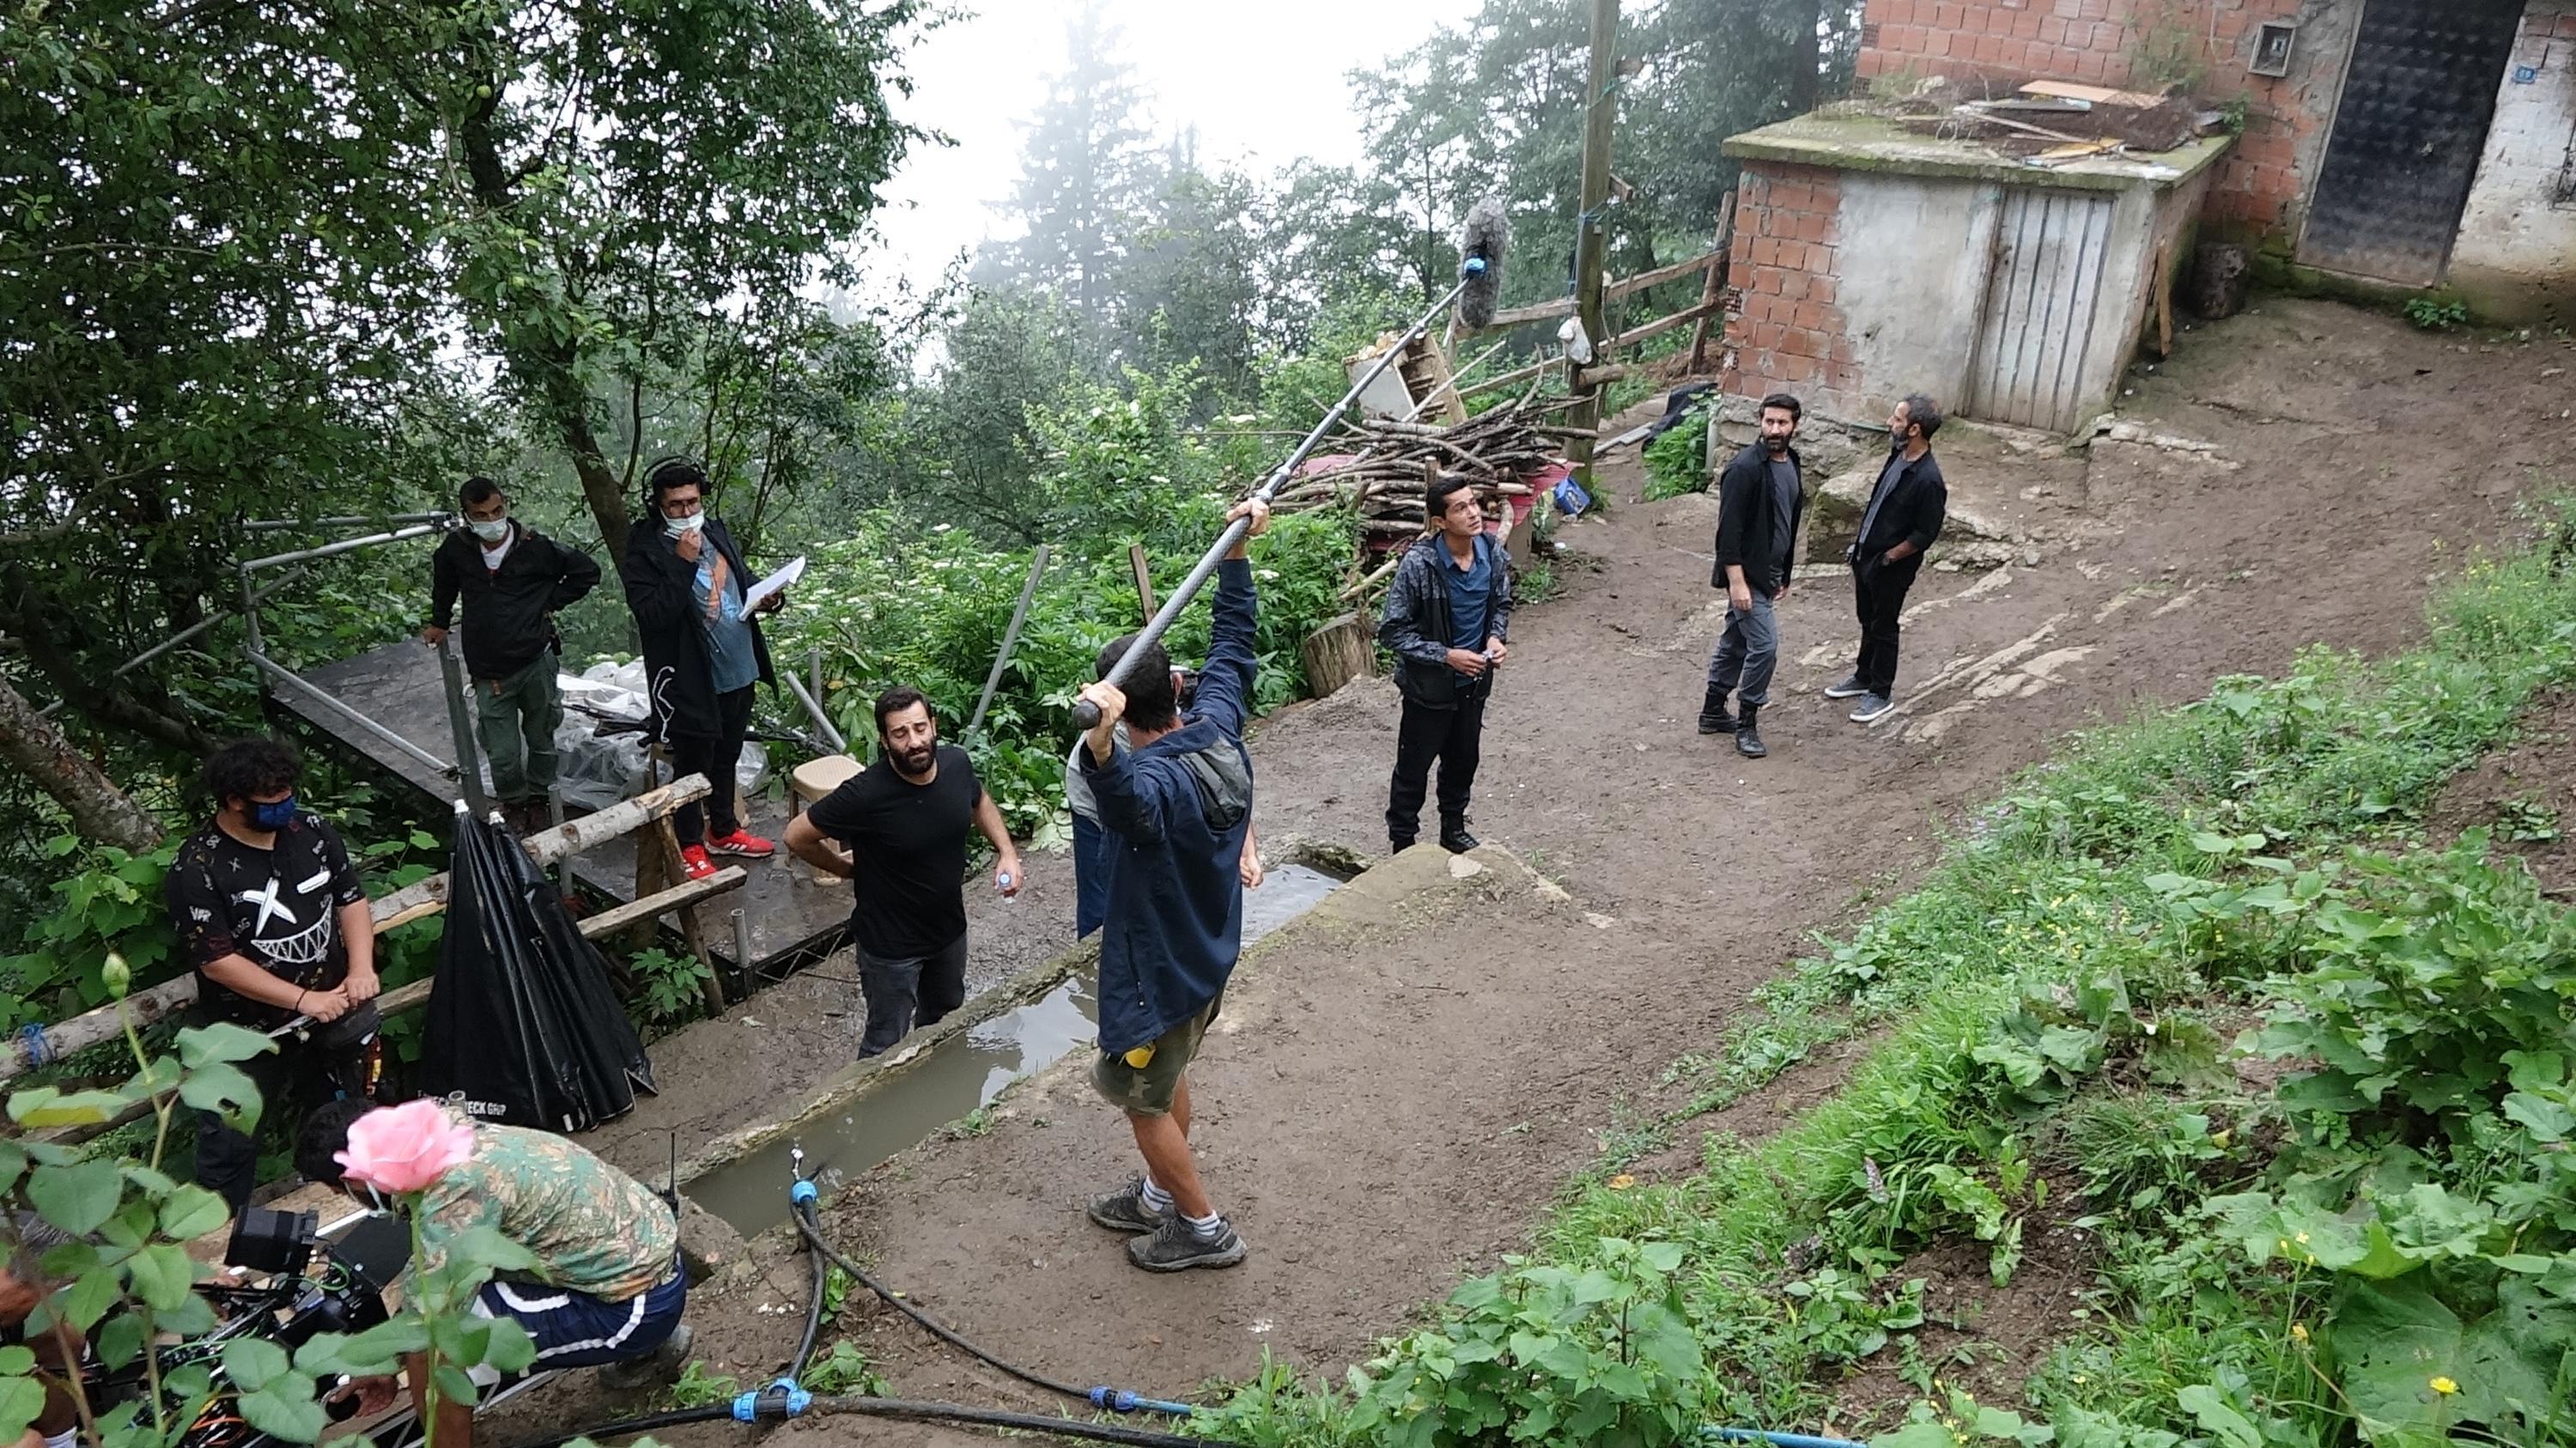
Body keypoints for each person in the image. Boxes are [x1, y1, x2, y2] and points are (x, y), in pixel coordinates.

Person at [1074, 497, 1267, 1273]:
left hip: (1159, 978)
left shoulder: (1151, 786)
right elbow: (1235, 644)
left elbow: (1123, 798)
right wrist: (1238, 555)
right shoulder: (1217, 727)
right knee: (1170, 1077)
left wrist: (1098, 742)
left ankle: (1204, 1228)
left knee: (1138, 1095)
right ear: (1178, 689)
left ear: (1124, 712)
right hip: (1205, 959)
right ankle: (1161, 1195)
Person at [305, 1098, 691, 1443]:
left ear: (354, 1178)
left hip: (636, 1307)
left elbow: (432, 1319)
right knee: (441, 1302)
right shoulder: (445, 1132)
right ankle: (651, 1351)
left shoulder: (455, 1188)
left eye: (343, 1193)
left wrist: (397, 1357)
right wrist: (388, 1358)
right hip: (647, 1256)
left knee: (442, 1344)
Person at [165, 738, 380, 1213]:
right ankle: (220, 1251)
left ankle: (362, 1218)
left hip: (333, 1017)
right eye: (271, 800)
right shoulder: (197, 867)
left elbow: (350, 898)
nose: (284, 805)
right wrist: (303, 999)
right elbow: (216, 959)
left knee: (346, 1129)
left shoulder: (314, 832)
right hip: (244, 1036)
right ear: (233, 800)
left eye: (288, 793)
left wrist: (362, 967)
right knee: (229, 1148)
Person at [785, 687, 1023, 1057]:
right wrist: (845, 869)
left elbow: (979, 801)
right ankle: (877, 1113)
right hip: (890, 949)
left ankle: (941, 1097)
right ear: (884, 740)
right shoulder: (865, 795)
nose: (914, 742)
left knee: (945, 1023)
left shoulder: (957, 764)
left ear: (933, 725)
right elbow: (797, 835)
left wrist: (1006, 852)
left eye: (919, 728)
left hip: (948, 933)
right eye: (900, 734)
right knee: (885, 1045)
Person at [623, 457, 787, 880]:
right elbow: (652, 616)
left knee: (727, 755)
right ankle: (691, 844)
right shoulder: (644, 550)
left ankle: (724, 829)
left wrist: (769, 597)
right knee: (692, 765)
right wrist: (681, 562)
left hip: (739, 666)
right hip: (690, 679)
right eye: (675, 504)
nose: (686, 511)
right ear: (657, 505)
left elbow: (743, 581)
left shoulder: (715, 531)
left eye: (692, 501)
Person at [424, 476, 602, 830]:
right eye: (482, 515)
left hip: (535, 657)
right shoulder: (456, 550)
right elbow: (444, 585)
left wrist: (550, 602)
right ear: (468, 517)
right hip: (489, 669)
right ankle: (514, 802)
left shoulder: (534, 547)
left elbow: (586, 571)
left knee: (542, 737)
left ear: (505, 506)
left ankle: (539, 798)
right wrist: (439, 621)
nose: (492, 521)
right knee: (502, 752)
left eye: (497, 511)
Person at [1066, 667, 1264, 941]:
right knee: (1105, 897)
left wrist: (1246, 849)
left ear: (1177, 686)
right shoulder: (1129, 725)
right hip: (1095, 793)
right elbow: (1137, 806)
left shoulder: (1193, 706)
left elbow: (1227, 782)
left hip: (1143, 786)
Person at [1377, 474, 1513, 854]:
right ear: (1439, 522)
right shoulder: (1419, 566)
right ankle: (1402, 844)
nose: (1473, 513)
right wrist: (1445, 656)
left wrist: (1495, 638)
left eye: (1473, 503)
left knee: (1463, 759)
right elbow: (1392, 631)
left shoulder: (1493, 554)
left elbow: (1501, 604)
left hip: (1473, 686)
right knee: (1413, 770)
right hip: (1428, 691)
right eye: (1461, 508)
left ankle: (1452, 829)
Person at [1825, 393, 1948, 725]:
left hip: (1890, 567)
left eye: (1897, 419)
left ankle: (1880, 692)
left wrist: (1889, 558)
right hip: (1867, 557)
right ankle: (1863, 676)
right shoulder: (1896, 455)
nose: (1890, 423)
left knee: (1884, 625)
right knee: (1868, 619)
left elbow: (1925, 533)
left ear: (1914, 429)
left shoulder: (1929, 480)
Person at [1700, 393, 1807, 758]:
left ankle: (1712, 711)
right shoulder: (1745, 468)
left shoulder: (1792, 462)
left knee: (1735, 641)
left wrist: (1785, 573)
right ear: (1759, 421)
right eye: (1769, 422)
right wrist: (1737, 581)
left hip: (1769, 572)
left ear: (1795, 425)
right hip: (1746, 576)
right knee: (1765, 646)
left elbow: (1788, 523)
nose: (1775, 429)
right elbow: (1727, 533)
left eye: (1782, 423)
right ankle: (1747, 723)